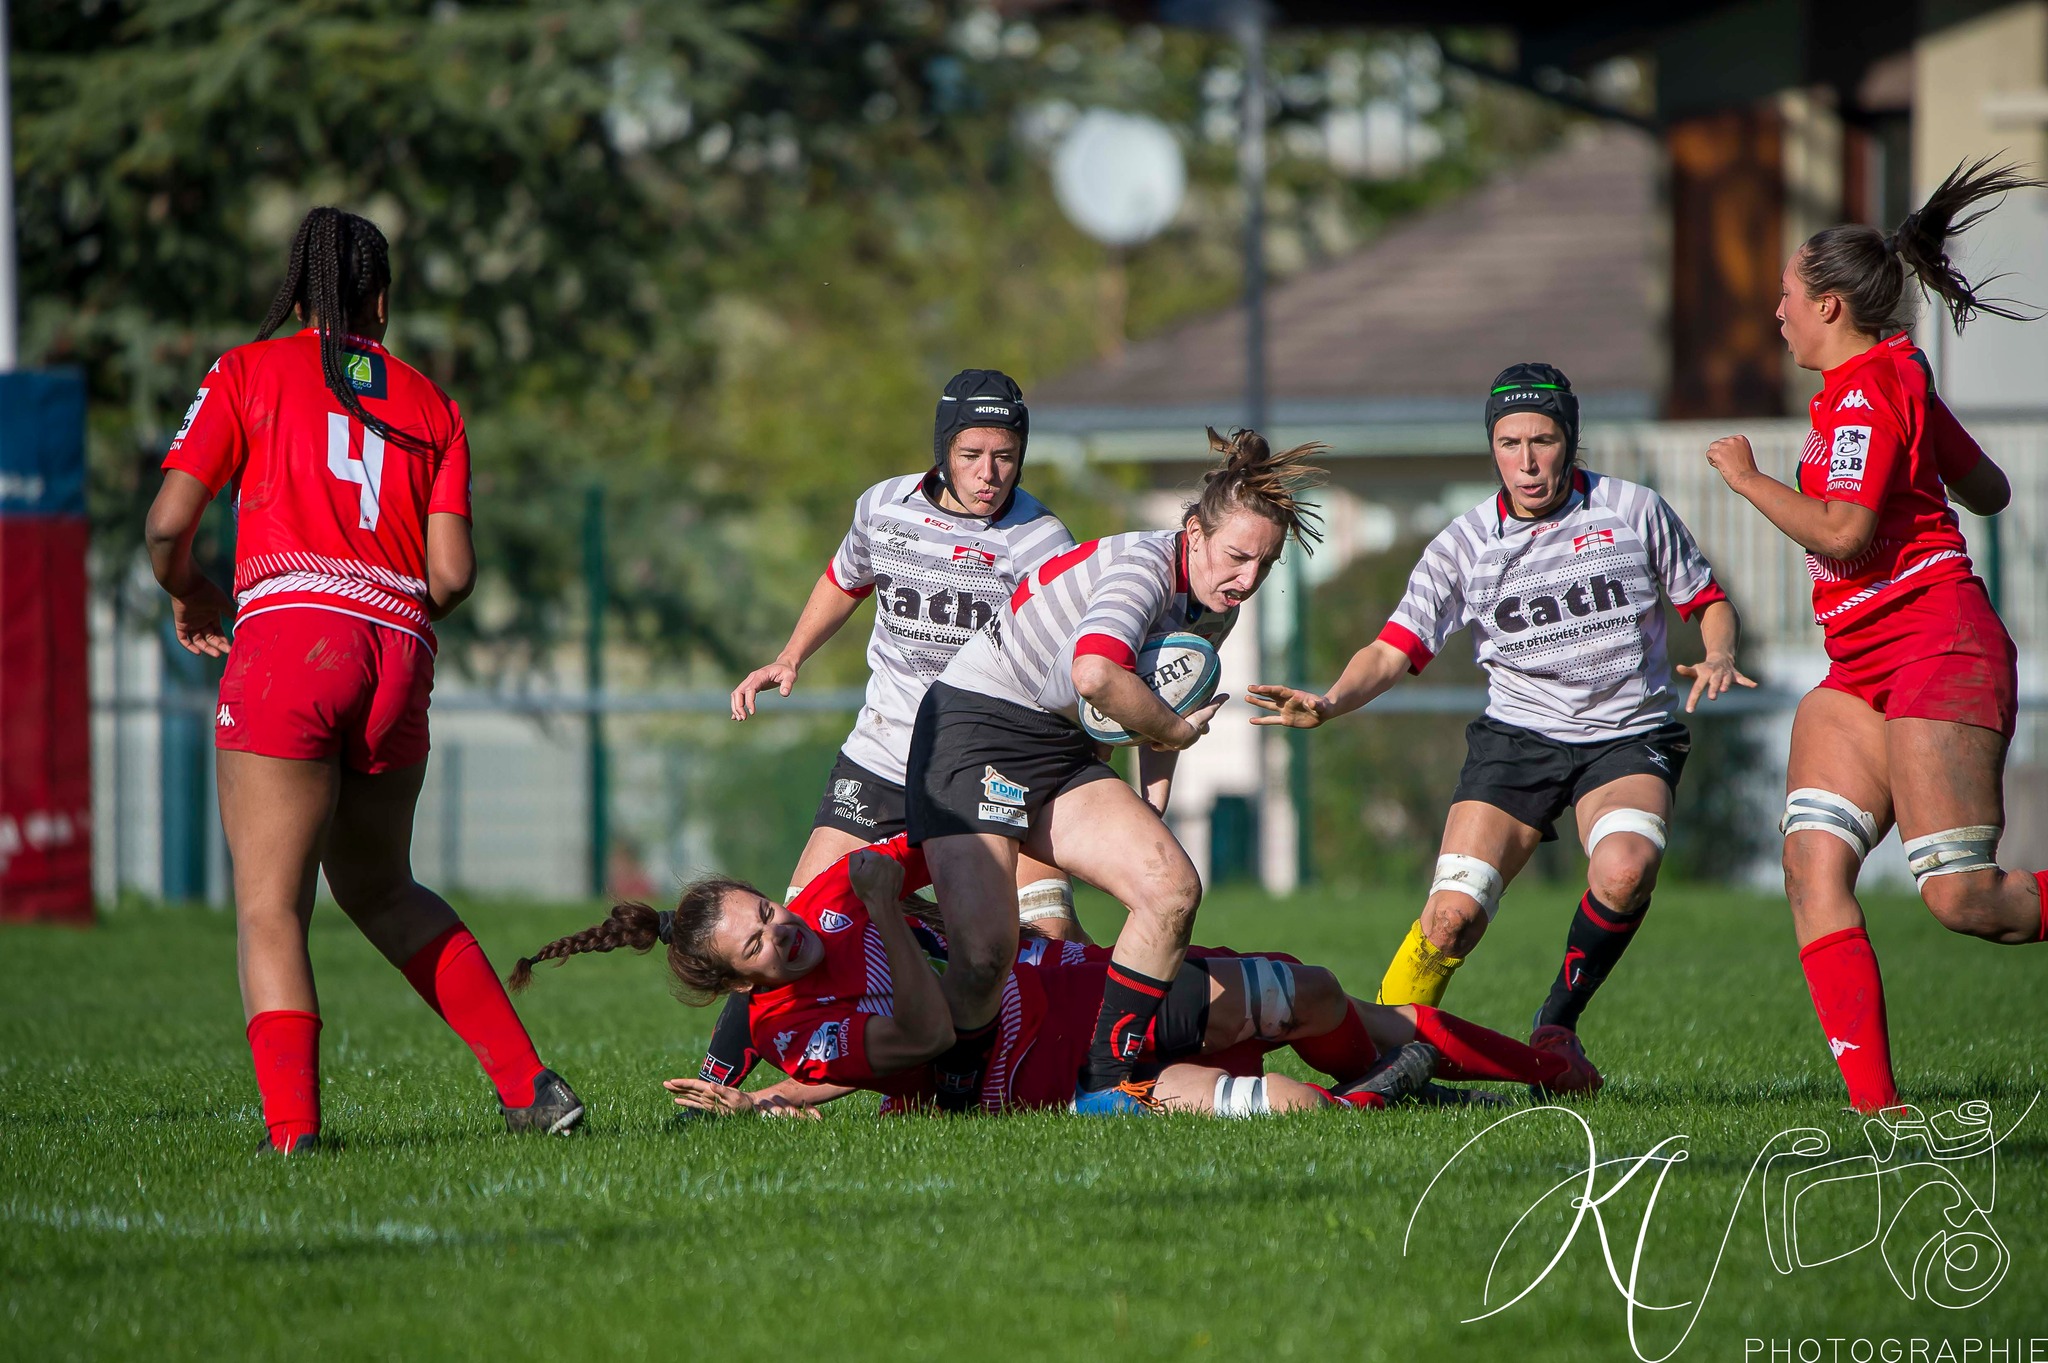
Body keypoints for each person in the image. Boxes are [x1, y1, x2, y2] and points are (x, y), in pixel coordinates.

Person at [143, 207, 581, 1153]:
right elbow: (452, 575)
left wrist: (189, 593)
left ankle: (295, 1134)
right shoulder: (433, 404)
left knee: (270, 904)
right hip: (396, 655)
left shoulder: (247, 370)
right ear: (382, 301)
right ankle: (530, 1085)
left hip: (291, 642)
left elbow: (167, 525)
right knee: (383, 886)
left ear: (298, 291)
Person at [1246, 363, 1751, 1088]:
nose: (1527, 459)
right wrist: (1329, 701)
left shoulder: (1633, 509)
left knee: (1625, 869)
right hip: (1517, 740)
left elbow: (1707, 599)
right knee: (1451, 919)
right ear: (1492, 446)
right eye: (1510, 442)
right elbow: (1393, 647)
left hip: (1628, 735)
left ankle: (1557, 1025)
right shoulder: (1464, 543)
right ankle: (1381, 1053)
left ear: (1569, 440)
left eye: (1543, 440)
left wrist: (1719, 650)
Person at [1702, 157, 2046, 1111]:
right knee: (1814, 868)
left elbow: (1847, 536)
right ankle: (1877, 1114)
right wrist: (1924, 419)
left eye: (1785, 296)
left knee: (1960, 899)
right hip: (1858, 666)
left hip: (1938, 646)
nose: (1776, 313)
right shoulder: (1888, 381)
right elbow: (1990, 488)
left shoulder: (1864, 393)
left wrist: (1748, 478)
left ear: (1829, 308)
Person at [508, 837, 1598, 1117]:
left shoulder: (843, 887)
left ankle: (1533, 1067)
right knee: (1296, 1105)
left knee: (1307, 993)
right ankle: (1387, 1091)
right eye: (757, 943)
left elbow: (963, 847)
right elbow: (931, 1039)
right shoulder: (802, 1034)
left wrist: (1039, 874)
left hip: (1087, 983)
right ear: (740, 982)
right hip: (1060, 1076)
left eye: (767, 910)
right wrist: (764, 1093)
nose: (782, 931)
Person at [907, 427, 1326, 1115]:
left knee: (1170, 889)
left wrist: (1148, 802)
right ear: (1193, 533)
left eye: (1266, 563)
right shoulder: (1143, 568)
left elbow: (1166, 693)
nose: (1247, 578)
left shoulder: (1214, 598)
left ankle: (1103, 1085)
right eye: (1237, 556)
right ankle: (950, 1101)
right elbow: (1098, 673)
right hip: (974, 730)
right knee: (983, 954)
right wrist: (1174, 732)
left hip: (1057, 745)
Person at [728, 369, 1082, 934]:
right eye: (971, 453)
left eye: (1006, 456)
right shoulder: (884, 507)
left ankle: (1147, 1010)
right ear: (943, 448)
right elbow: (846, 578)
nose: (988, 474)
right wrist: (791, 655)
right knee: (805, 923)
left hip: (993, 761)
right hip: (886, 754)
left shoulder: (1041, 540)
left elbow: (1069, 657)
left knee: (1047, 936)